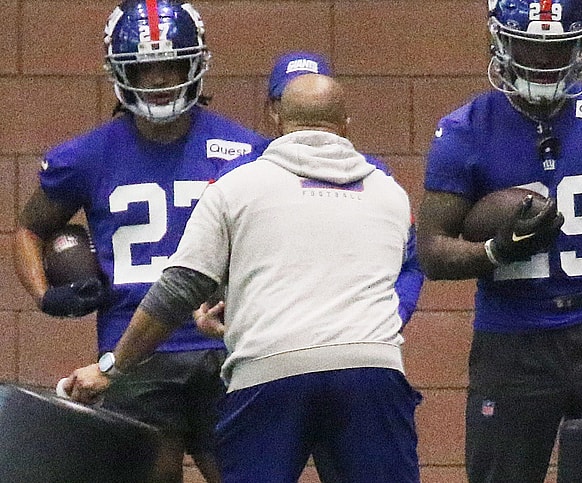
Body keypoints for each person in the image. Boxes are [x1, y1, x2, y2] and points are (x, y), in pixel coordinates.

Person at [63, 73, 423, 483]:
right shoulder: (391, 195)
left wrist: (111, 367)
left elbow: (179, 290)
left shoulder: (236, 187)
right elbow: (373, 278)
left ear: (277, 122)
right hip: (372, 371)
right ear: (345, 124)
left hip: (270, 374)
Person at [13, 1, 269, 481]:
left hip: (229, 342)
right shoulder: (86, 156)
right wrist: (45, 294)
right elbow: (29, 229)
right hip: (134, 349)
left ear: (195, 64)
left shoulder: (247, 151)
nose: (157, 80)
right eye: (143, 68)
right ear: (119, 71)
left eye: (170, 65)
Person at [415, 0, 582, 481]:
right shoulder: (464, 130)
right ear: (500, 41)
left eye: (556, 48)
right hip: (512, 340)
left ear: (580, 45)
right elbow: (432, 250)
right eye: (529, 47)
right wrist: (496, 251)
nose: (543, 62)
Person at [196, 51, 424, 341]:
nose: (306, 110)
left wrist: (394, 316)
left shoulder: (376, 177)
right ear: (272, 111)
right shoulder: (236, 176)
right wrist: (205, 309)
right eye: (288, 99)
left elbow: (412, 262)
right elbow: (202, 262)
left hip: (355, 342)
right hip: (267, 347)